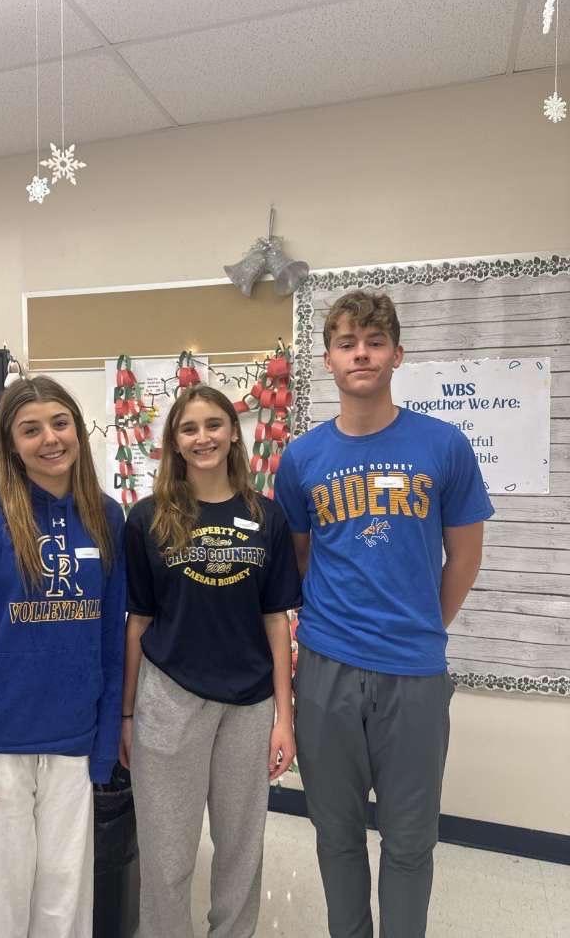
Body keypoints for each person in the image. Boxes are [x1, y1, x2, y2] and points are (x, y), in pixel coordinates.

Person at [275, 290, 494, 938]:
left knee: (410, 842)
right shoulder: (302, 458)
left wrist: (422, 626)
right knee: (336, 835)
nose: (361, 354)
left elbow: (465, 556)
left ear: (398, 353)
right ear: (328, 359)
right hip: (326, 671)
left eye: (374, 342)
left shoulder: (444, 445)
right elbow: (300, 560)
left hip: (415, 674)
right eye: (347, 343)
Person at [0, 375, 126, 938]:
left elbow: (111, 640)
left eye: (60, 423)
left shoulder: (106, 517)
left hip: (73, 747)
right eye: (31, 429)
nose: (50, 439)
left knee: (65, 909)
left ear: (78, 431)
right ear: (11, 443)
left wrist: (104, 745)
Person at [120, 384, 301, 938]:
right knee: (166, 851)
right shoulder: (148, 519)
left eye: (214, 425)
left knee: (241, 848)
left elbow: (276, 622)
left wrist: (285, 718)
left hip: (249, 703)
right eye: (189, 428)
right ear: (174, 442)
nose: (203, 438)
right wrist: (126, 715)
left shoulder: (267, 517)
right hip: (169, 696)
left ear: (233, 434)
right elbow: (138, 621)